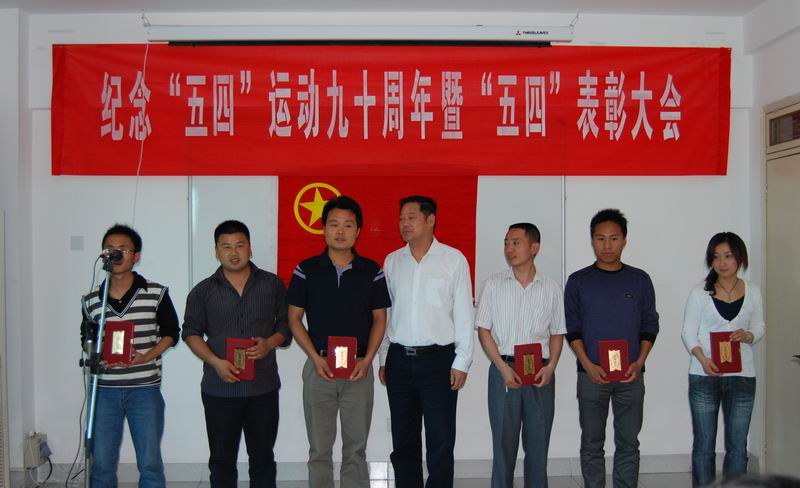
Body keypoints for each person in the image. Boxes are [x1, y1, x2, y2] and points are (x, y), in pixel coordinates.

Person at [287, 196, 391, 488]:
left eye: (348, 225)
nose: (341, 231)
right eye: (334, 224)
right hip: (319, 367)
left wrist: (368, 360)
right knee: (319, 450)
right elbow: (294, 318)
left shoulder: (372, 271)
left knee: (355, 449)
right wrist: (315, 358)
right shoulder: (306, 269)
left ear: (358, 231)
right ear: (323, 229)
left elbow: (380, 319)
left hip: (358, 368)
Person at [182, 220, 290, 488]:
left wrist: (269, 343)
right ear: (216, 251)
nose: (234, 252)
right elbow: (191, 333)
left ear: (250, 249)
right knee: (221, 461)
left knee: (263, 459)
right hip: (219, 389)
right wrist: (215, 362)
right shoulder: (202, 291)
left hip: (262, 388)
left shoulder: (272, 284)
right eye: (226, 246)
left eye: (240, 245)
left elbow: (286, 325)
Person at [378, 195, 474, 488]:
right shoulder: (393, 261)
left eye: (411, 217)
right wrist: (383, 357)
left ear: (430, 220)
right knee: (403, 440)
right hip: (399, 360)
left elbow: (464, 313)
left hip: (439, 361)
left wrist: (462, 361)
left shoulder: (453, 260)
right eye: (401, 218)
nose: (404, 224)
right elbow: (387, 314)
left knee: (440, 440)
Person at [564, 208, 659, 488]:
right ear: (592, 240)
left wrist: (639, 362)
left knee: (628, 443)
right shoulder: (578, 281)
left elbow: (650, 324)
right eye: (600, 238)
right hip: (591, 376)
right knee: (592, 443)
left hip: (631, 376)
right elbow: (572, 327)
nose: (607, 245)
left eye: (614, 238)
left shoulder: (640, 280)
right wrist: (588, 364)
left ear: (624, 241)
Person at [81, 224, 179, 488]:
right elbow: (86, 340)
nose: (115, 254)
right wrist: (96, 355)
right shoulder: (91, 300)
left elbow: (172, 333)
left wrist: (146, 357)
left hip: (144, 390)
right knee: (101, 464)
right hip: (104, 391)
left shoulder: (156, 293)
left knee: (149, 463)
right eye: (109, 249)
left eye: (122, 249)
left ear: (136, 256)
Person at [476, 223, 566, 488]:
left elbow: (557, 332)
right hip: (504, 370)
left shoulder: (551, 288)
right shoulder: (493, 285)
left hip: (540, 372)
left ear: (534, 247)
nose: (509, 248)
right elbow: (484, 331)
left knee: (538, 445)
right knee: (503, 445)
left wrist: (551, 367)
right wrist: (502, 368)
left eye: (516, 242)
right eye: (506, 243)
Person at [681, 232, 765, 488]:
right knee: (704, 445)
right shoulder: (699, 293)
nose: (722, 262)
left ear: (740, 258)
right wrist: (703, 359)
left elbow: (760, 325)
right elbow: (688, 333)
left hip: (742, 377)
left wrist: (750, 335)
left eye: (728, 256)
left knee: (737, 446)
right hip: (704, 376)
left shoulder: (752, 291)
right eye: (716, 257)